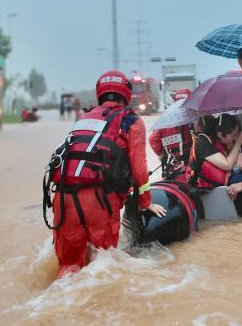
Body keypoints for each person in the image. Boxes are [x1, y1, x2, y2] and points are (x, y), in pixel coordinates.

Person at [44, 70, 166, 278]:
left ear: (100, 93)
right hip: (99, 199)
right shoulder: (130, 121)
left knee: (68, 267)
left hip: (63, 197)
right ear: (125, 93)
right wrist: (146, 202)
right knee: (103, 266)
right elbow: (138, 168)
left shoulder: (83, 118)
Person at [185, 114, 242, 189]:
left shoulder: (220, 138)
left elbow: (233, 152)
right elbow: (227, 165)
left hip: (223, 185)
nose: (235, 138)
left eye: (237, 135)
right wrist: (238, 143)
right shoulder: (202, 143)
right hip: (204, 191)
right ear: (220, 134)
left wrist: (240, 153)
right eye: (233, 136)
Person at [149, 89, 194, 180]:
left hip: (170, 172)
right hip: (189, 172)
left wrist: (164, 154)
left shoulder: (165, 121)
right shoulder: (191, 120)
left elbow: (153, 140)